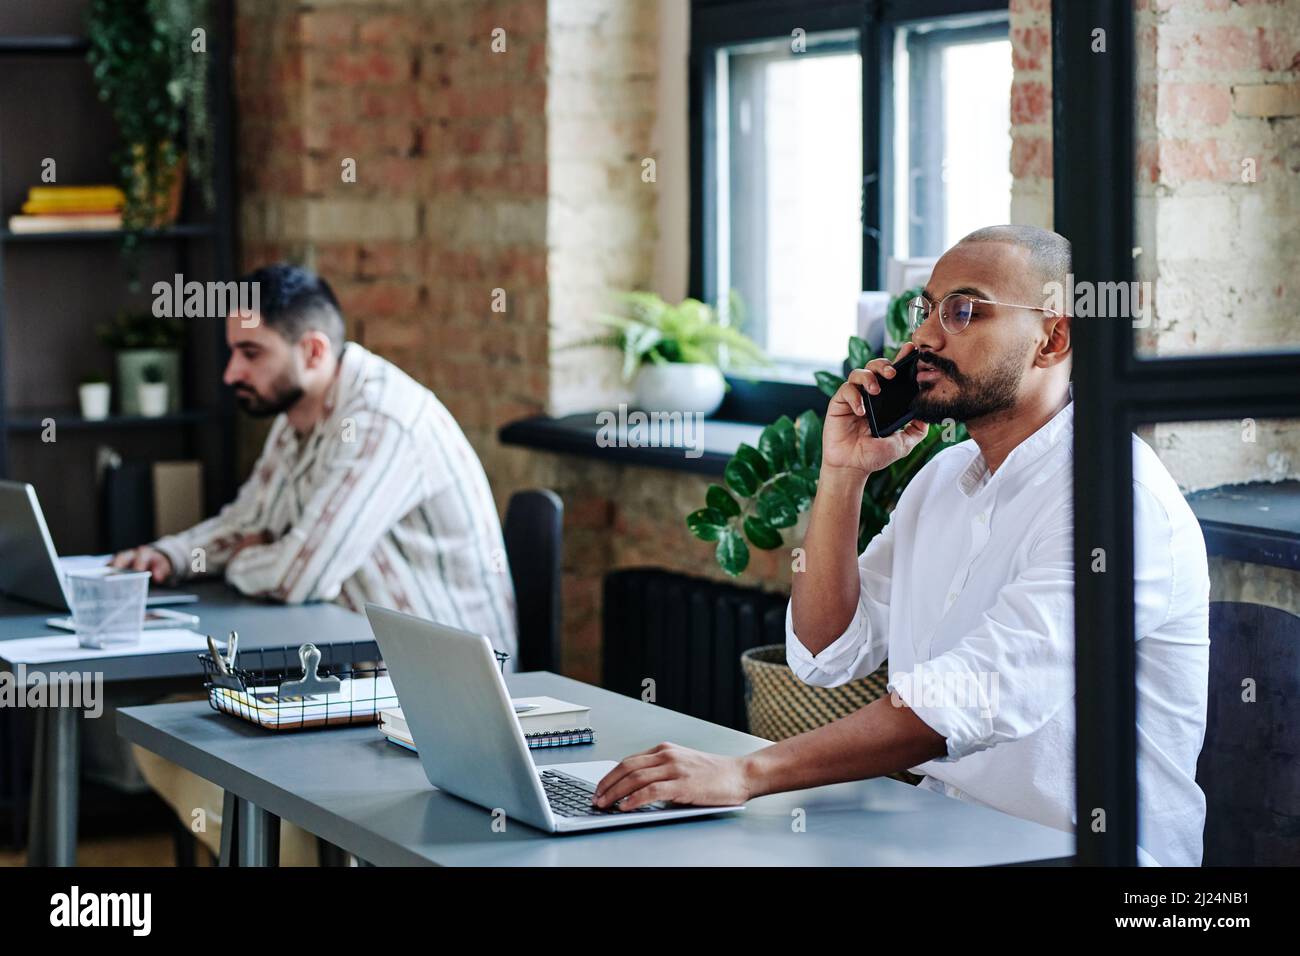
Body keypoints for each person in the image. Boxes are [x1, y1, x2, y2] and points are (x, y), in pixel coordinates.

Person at [591, 225, 1211, 867]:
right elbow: (826, 653)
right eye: (926, 309)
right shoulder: (944, 478)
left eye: (964, 310)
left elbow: (968, 697)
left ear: (1052, 339)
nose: (925, 338)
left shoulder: (1117, 503)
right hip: (945, 834)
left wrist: (747, 774)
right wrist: (843, 472)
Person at [112, 262, 517, 862]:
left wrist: (257, 560)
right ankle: (300, 849)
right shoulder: (298, 418)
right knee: (166, 729)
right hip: (345, 668)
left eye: (250, 352)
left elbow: (298, 575)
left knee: (203, 739)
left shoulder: (379, 422)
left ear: (313, 349)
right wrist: (169, 556)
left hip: (435, 694)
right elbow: (248, 521)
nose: (231, 372)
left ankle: (307, 848)